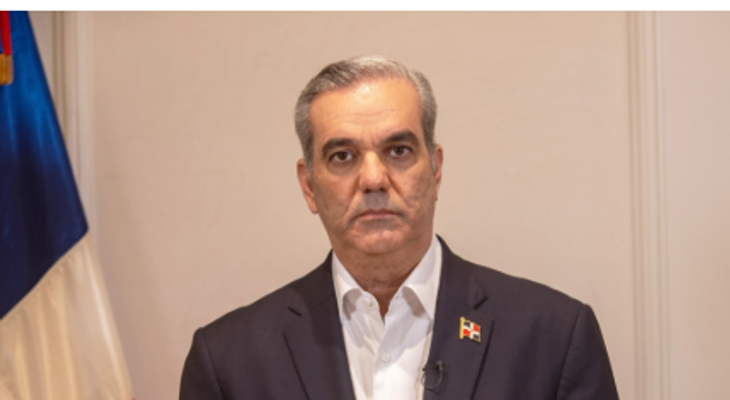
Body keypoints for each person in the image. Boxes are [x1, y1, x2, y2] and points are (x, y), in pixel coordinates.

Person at [180, 56, 619, 400]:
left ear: (436, 170)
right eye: (342, 156)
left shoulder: (555, 337)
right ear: (308, 185)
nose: (373, 179)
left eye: (398, 150)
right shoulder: (228, 361)